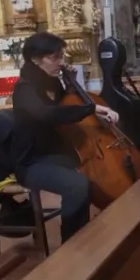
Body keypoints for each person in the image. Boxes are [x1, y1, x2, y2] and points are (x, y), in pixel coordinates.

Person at [10, 32, 120, 243]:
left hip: (56, 154)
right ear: (35, 59)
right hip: (31, 162)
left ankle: (83, 236)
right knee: (76, 185)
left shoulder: (53, 83)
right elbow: (46, 114)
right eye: (55, 57)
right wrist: (90, 108)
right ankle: (70, 244)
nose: (61, 62)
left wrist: (71, 83)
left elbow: (67, 106)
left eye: (62, 56)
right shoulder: (24, 88)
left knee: (90, 180)